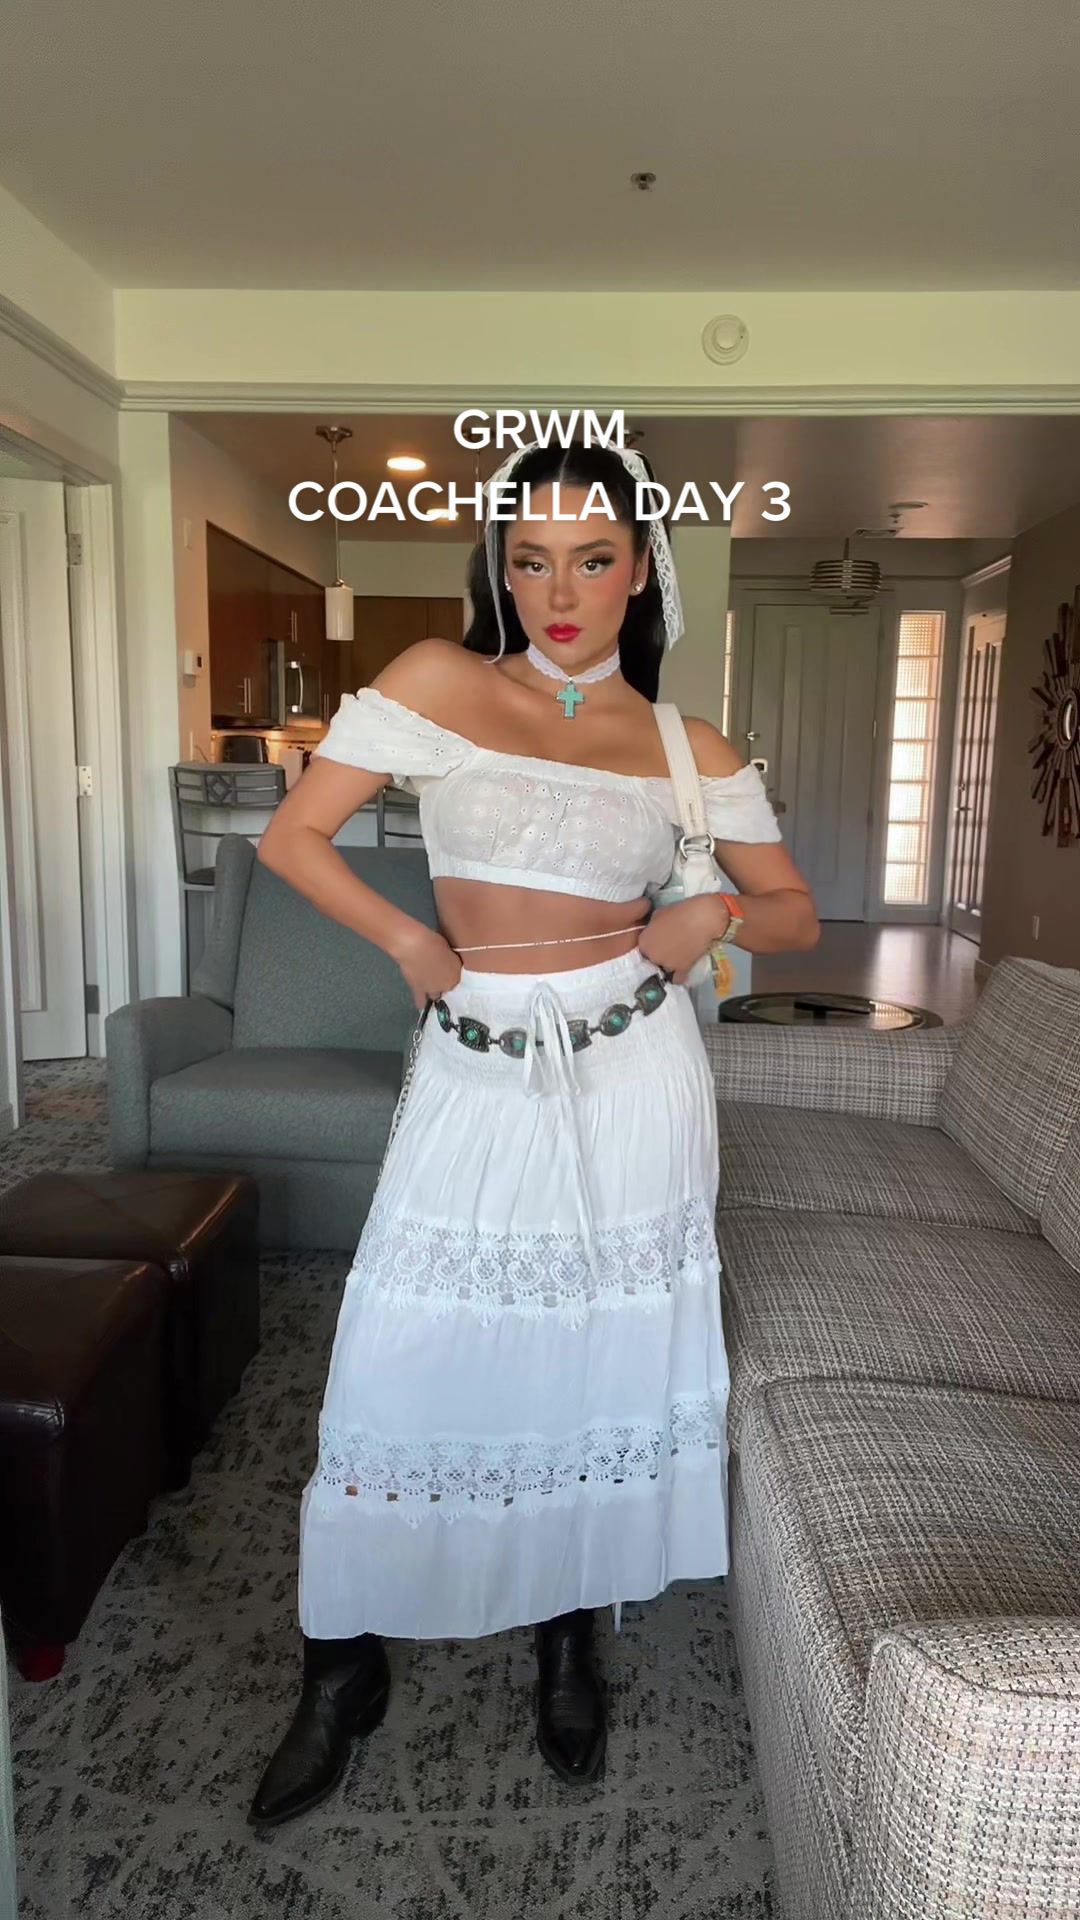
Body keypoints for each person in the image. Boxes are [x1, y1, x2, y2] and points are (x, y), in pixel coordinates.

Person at [247, 439, 819, 1831]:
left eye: (594, 559)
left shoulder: (689, 747)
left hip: (634, 1072)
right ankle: (341, 1662)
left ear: (642, 574)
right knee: (400, 1346)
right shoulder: (441, 682)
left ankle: (566, 1633)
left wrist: (712, 914)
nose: (561, 593)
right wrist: (408, 942)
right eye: (531, 561)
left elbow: (795, 911)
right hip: (478, 1059)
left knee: (588, 1352)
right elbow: (293, 837)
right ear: (501, 572)